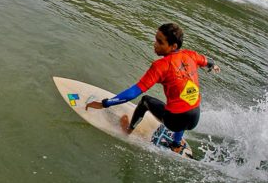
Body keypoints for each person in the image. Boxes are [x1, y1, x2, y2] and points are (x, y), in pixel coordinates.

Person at [86, 23, 221, 154]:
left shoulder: (161, 66)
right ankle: (176, 144)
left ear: (173, 46)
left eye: (160, 42)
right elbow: (207, 61)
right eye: (156, 39)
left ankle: (128, 129)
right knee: (185, 98)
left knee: (145, 100)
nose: (155, 44)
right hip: (194, 118)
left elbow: (133, 92)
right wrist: (213, 66)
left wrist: (105, 103)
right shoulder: (190, 55)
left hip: (174, 121)